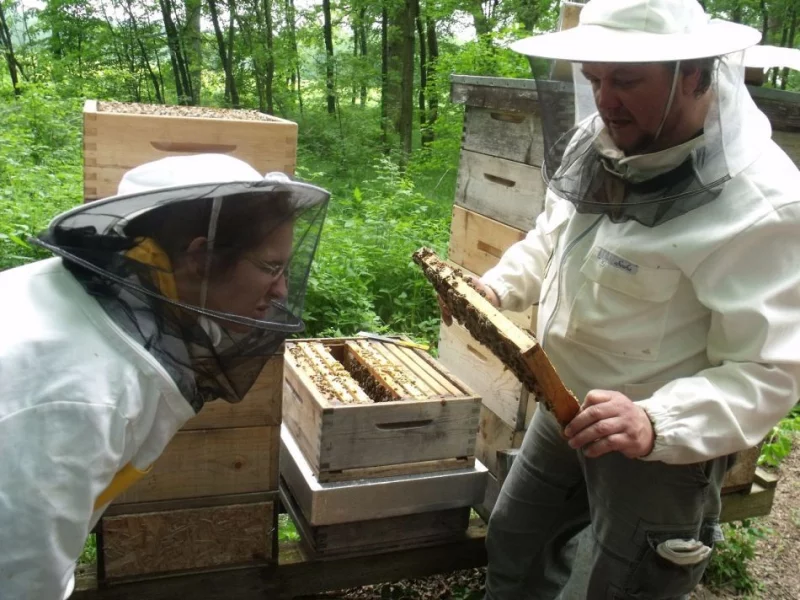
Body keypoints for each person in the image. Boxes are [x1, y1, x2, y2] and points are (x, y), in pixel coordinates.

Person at [440, 0, 800, 598]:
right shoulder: (602, 137)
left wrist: (655, 421)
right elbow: (554, 237)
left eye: (626, 80)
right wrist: (498, 286)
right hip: (564, 404)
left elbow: (769, 372)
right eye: (594, 80)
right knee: (516, 539)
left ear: (694, 72)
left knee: (618, 585)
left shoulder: (766, 205)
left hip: (657, 446)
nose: (605, 100)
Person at [0, 153, 330, 600]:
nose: (282, 291)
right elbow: (20, 583)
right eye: (271, 267)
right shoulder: (80, 401)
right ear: (201, 257)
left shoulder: (116, 302)